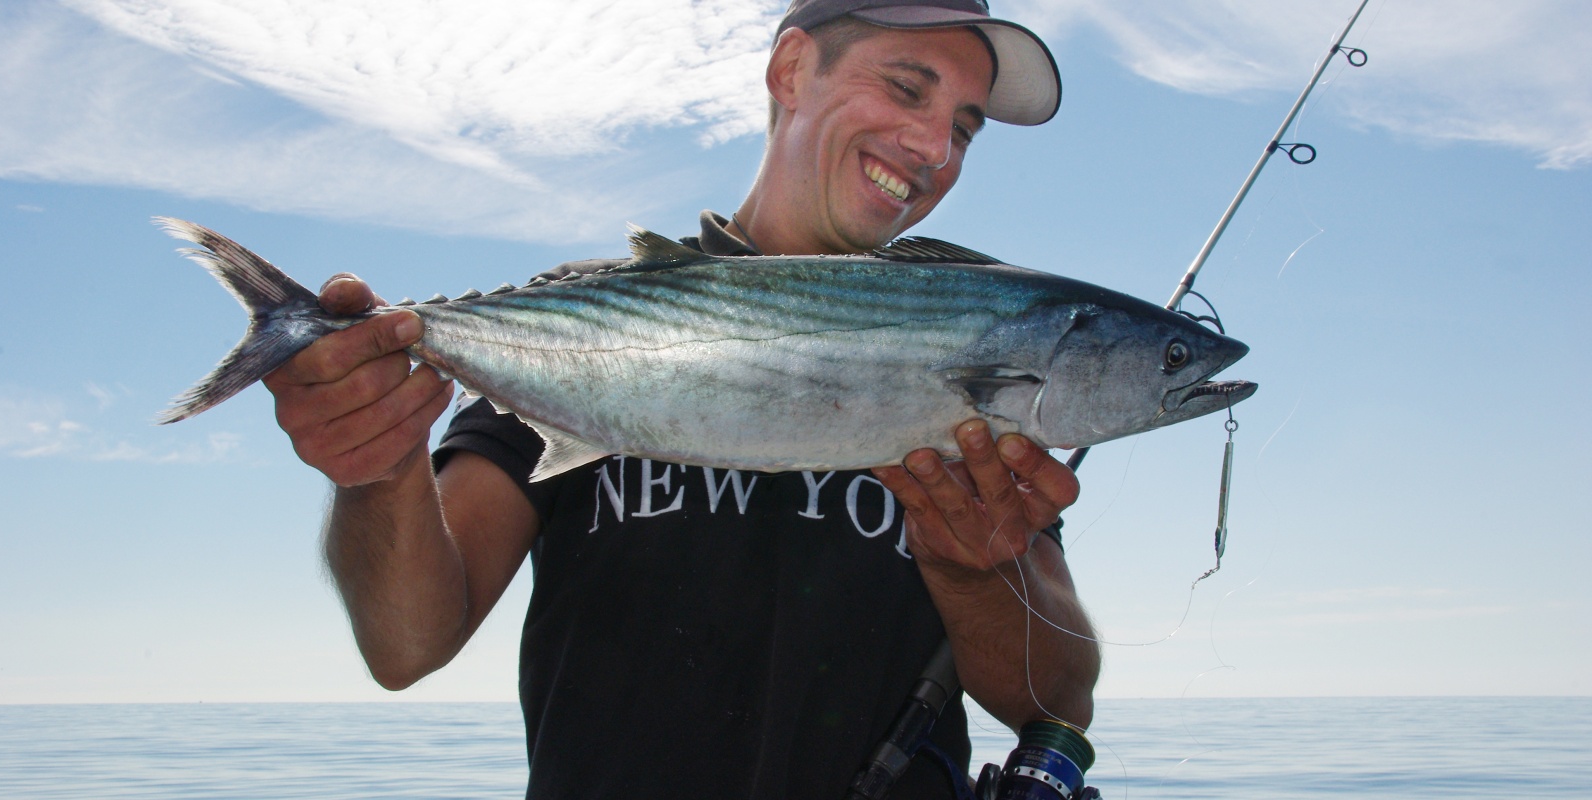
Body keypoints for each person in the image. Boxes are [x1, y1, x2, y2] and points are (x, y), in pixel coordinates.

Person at [263, 1, 1100, 797]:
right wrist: (376, 461)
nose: (934, 148)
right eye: (907, 88)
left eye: (962, 128)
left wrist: (975, 572)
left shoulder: (977, 327)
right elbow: (406, 643)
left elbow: (1057, 702)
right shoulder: (578, 314)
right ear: (793, 67)